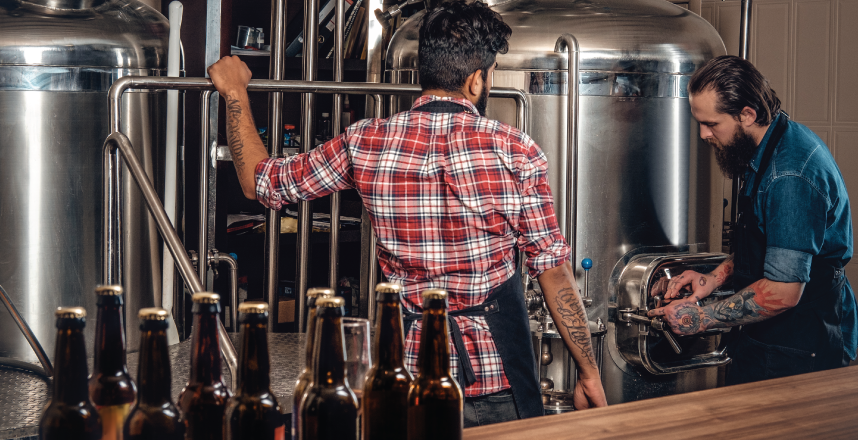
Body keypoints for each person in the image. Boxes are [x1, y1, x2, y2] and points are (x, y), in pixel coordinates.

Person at [207, 0, 606, 426]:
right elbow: (553, 271)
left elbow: (260, 182)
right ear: (476, 81)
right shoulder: (515, 150)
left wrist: (234, 92)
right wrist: (588, 370)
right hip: (496, 381)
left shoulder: (366, 142)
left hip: (406, 380)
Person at [648, 55, 857, 385]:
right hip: (771, 337)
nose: (703, 134)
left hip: (798, 345)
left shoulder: (790, 176)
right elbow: (770, 242)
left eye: (712, 124)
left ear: (747, 114)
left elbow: (784, 290)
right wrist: (713, 279)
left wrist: (700, 319)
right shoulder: (773, 142)